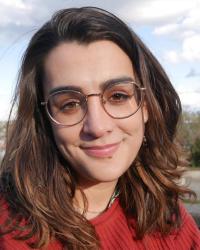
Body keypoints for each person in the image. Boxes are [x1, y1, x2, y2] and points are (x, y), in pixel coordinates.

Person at [0, 6, 199, 250]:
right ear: (44, 117)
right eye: (70, 104)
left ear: (145, 106)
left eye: (117, 96)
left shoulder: (167, 219)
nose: (97, 126)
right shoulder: (10, 234)